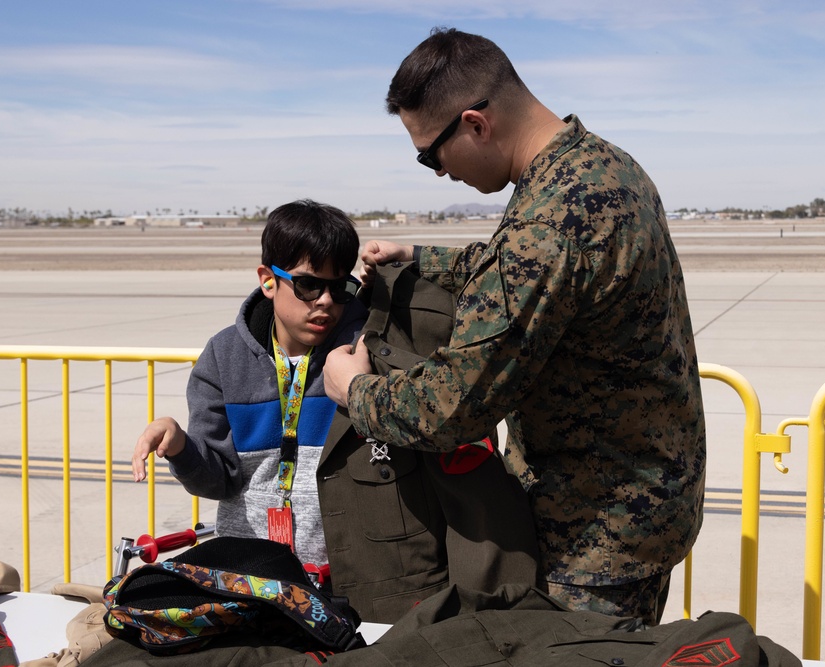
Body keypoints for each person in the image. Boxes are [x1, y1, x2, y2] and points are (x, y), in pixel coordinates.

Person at [324, 27, 706, 625]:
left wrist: (354, 389)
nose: (437, 173)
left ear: (475, 123)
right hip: (646, 503)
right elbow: (536, 276)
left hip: (593, 536)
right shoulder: (603, 167)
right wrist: (422, 257)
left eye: (430, 153)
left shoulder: (547, 222)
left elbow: (453, 406)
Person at [132, 199, 367, 575]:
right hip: (251, 576)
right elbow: (219, 481)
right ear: (268, 280)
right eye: (308, 285)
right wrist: (180, 446)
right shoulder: (224, 356)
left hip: (348, 575)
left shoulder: (363, 352)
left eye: (338, 288)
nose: (325, 301)